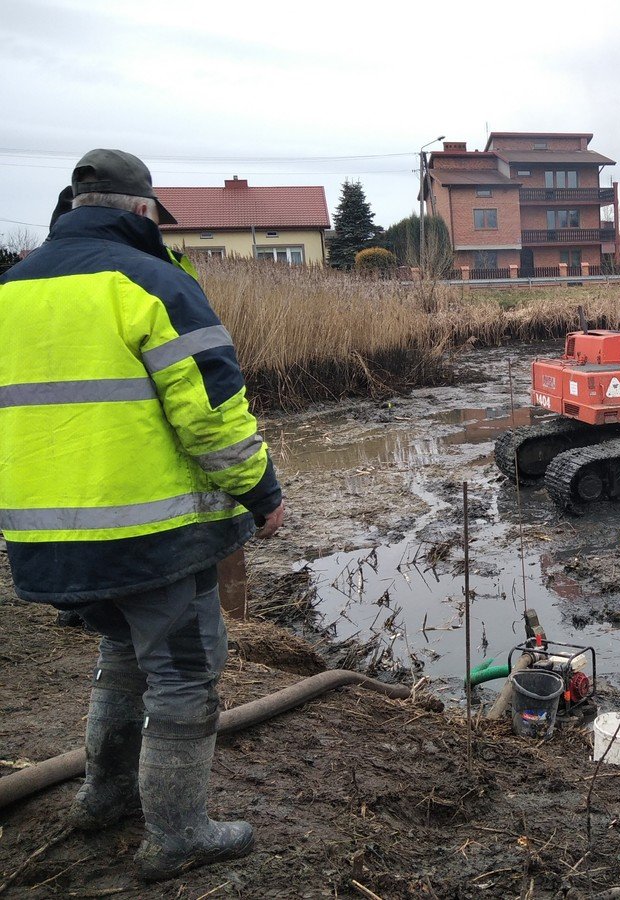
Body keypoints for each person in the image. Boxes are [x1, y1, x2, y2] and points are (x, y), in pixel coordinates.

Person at [0, 149, 285, 881]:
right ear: (141, 211)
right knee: (185, 674)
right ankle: (180, 832)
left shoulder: (9, 289)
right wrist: (263, 493)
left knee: (120, 657)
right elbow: (212, 416)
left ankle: (104, 799)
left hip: (46, 540)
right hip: (150, 535)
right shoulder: (153, 282)